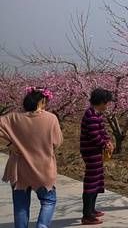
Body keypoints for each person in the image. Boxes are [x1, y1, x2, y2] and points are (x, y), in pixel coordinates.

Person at [0, 87, 63, 228]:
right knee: (48, 201)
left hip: (19, 170)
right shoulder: (51, 118)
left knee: (21, 206)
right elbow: (57, 143)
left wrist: (10, 143)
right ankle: (42, 226)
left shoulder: (13, 118)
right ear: (41, 101)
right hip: (43, 168)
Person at [80, 88, 114, 225]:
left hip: (95, 152)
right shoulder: (91, 116)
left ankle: (91, 210)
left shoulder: (96, 114)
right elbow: (94, 136)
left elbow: (102, 132)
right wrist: (104, 144)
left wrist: (108, 140)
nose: (107, 105)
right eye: (106, 103)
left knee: (96, 180)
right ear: (101, 102)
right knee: (91, 182)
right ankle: (87, 215)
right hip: (91, 152)